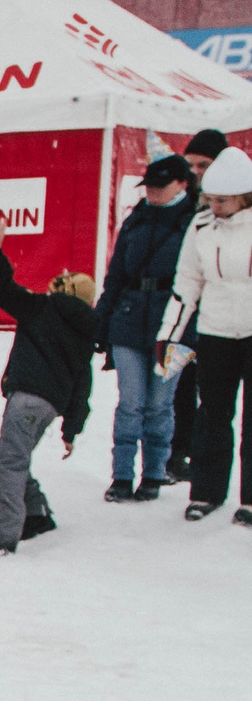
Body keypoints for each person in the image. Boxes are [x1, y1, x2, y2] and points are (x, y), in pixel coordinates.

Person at [0, 220, 93, 554]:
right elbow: (82, 383)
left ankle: (5, 534)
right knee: (19, 455)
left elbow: (2, 287)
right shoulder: (85, 331)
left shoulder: (40, 307)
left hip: (26, 397)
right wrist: (71, 428)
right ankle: (38, 512)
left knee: (10, 460)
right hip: (50, 405)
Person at [93, 154, 194, 500]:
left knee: (160, 405)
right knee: (131, 402)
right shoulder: (135, 219)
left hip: (176, 326)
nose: (152, 192)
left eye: (160, 186)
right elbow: (116, 275)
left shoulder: (197, 223)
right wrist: (101, 324)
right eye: (148, 185)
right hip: (129, 318)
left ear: (182, 184)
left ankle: (153, 473)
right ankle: (121, 476)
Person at [161, 144, 252, 524]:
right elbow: (187, 283)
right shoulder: (200, 228)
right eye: (210, 199)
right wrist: (169, 334)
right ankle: (206, 491)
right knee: (212, 414)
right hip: (214, 331)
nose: (213, 206)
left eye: (222, 201)